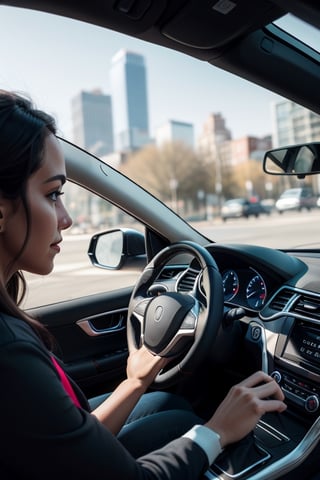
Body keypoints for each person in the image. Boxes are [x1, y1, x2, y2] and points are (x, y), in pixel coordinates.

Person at [0, 89, 286, 479]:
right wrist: (218, 431)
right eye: (53, 194)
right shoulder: (9, 352)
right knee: (180, 424)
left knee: (164, 404)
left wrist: (136, 381)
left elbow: (70, 447)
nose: (65, 219)